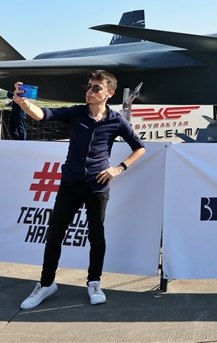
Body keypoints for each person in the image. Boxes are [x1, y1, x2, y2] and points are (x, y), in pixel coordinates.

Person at [14, 70, 145, 310]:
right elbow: (43, 115)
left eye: (96, 88)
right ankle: (46, 284)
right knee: (55, 234)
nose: (89, 91)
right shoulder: (75, 112)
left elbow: (139, 147)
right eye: (88, 87)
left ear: (109, 93)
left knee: (96, 236)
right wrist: (24, 103)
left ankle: (94, 283)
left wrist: (118, 168)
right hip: (71, 183)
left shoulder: (116, 121)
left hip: (97, 186)